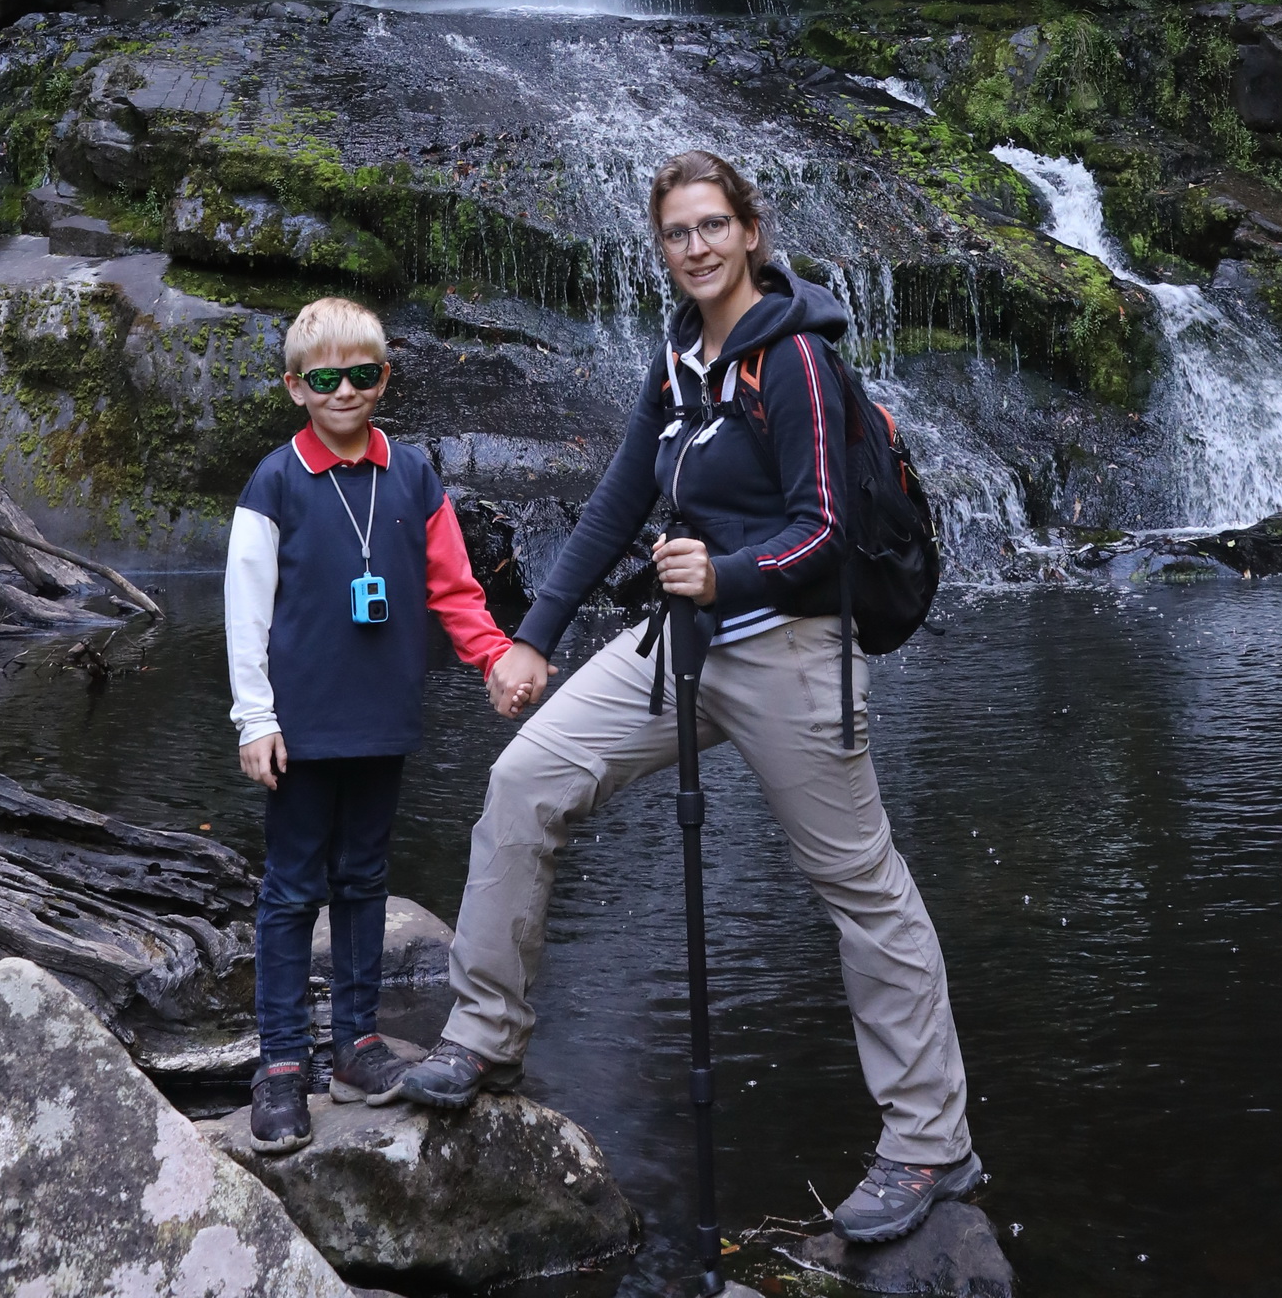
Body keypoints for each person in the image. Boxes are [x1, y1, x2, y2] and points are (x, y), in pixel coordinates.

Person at [398, 149, 980, 1249]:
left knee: (859, 885)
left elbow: (825, 530)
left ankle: (929, 1143)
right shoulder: (675, 358)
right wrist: (533, 638)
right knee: (525, 778)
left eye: (713, 226)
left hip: (787, 648)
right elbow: (619, 498)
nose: (697, 247)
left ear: (749, 232)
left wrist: (727, 575)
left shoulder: (794, 358)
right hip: (676, 642)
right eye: (677, 233)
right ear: (658, 249)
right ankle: (482, 1033)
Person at [227, 292, 552, 1146]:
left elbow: (453, 589)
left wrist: (492, 659)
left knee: (365, 879)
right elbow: (245, 612)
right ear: (296, 386)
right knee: (293, 888)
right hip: (301, 724)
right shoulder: (275, 482)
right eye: (325, 378)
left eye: (362, 375)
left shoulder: (412, 476)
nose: (345, 391)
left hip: (381, 718)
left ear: (384, 379)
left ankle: (358, 1042)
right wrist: (254, 718)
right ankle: (283, 1063)